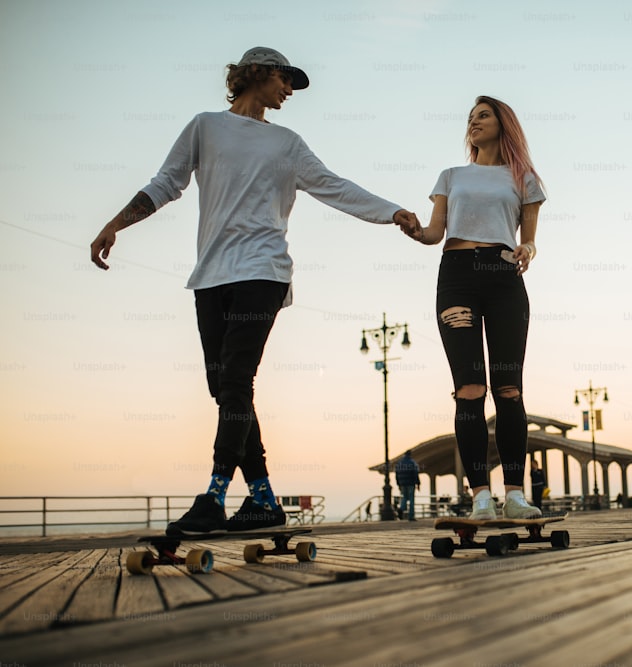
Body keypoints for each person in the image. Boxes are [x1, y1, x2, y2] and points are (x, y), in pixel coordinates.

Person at [90, 47, 419, 535]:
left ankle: (215, 496)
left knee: (236, 379)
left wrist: (391, 212)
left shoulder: (287, 143)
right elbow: (166, 183)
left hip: (263, 271)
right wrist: (116, 224)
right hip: (210, 275)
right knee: (223, 388)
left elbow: (333, 185)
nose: (290, 91)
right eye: (286, 80)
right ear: (258, 74)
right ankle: (263, 499)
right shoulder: (205, 127)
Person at [401, 95, 545, 520]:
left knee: (509, 390)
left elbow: (530, 237)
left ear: (504, 124)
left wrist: (529, 248)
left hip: (504, 279)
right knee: (469, 389)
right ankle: (481, 495)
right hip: (458, 275)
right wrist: (415, 231)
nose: (474, 123)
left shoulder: (523, 178)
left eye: (483, 115)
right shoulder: (451, 175)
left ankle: (515, 495)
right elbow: (434, 233)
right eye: (470, 118)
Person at [395, 450, 420, 521]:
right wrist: (418, 483)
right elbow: (415, 474)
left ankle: (401, 509)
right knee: (411, 499)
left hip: (402, 483)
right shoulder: (412, 463)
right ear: (410, 455)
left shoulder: (399, 463)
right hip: (411, 483)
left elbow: (396, 474)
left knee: (404, 497)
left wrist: (398, 484)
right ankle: (411, 516)